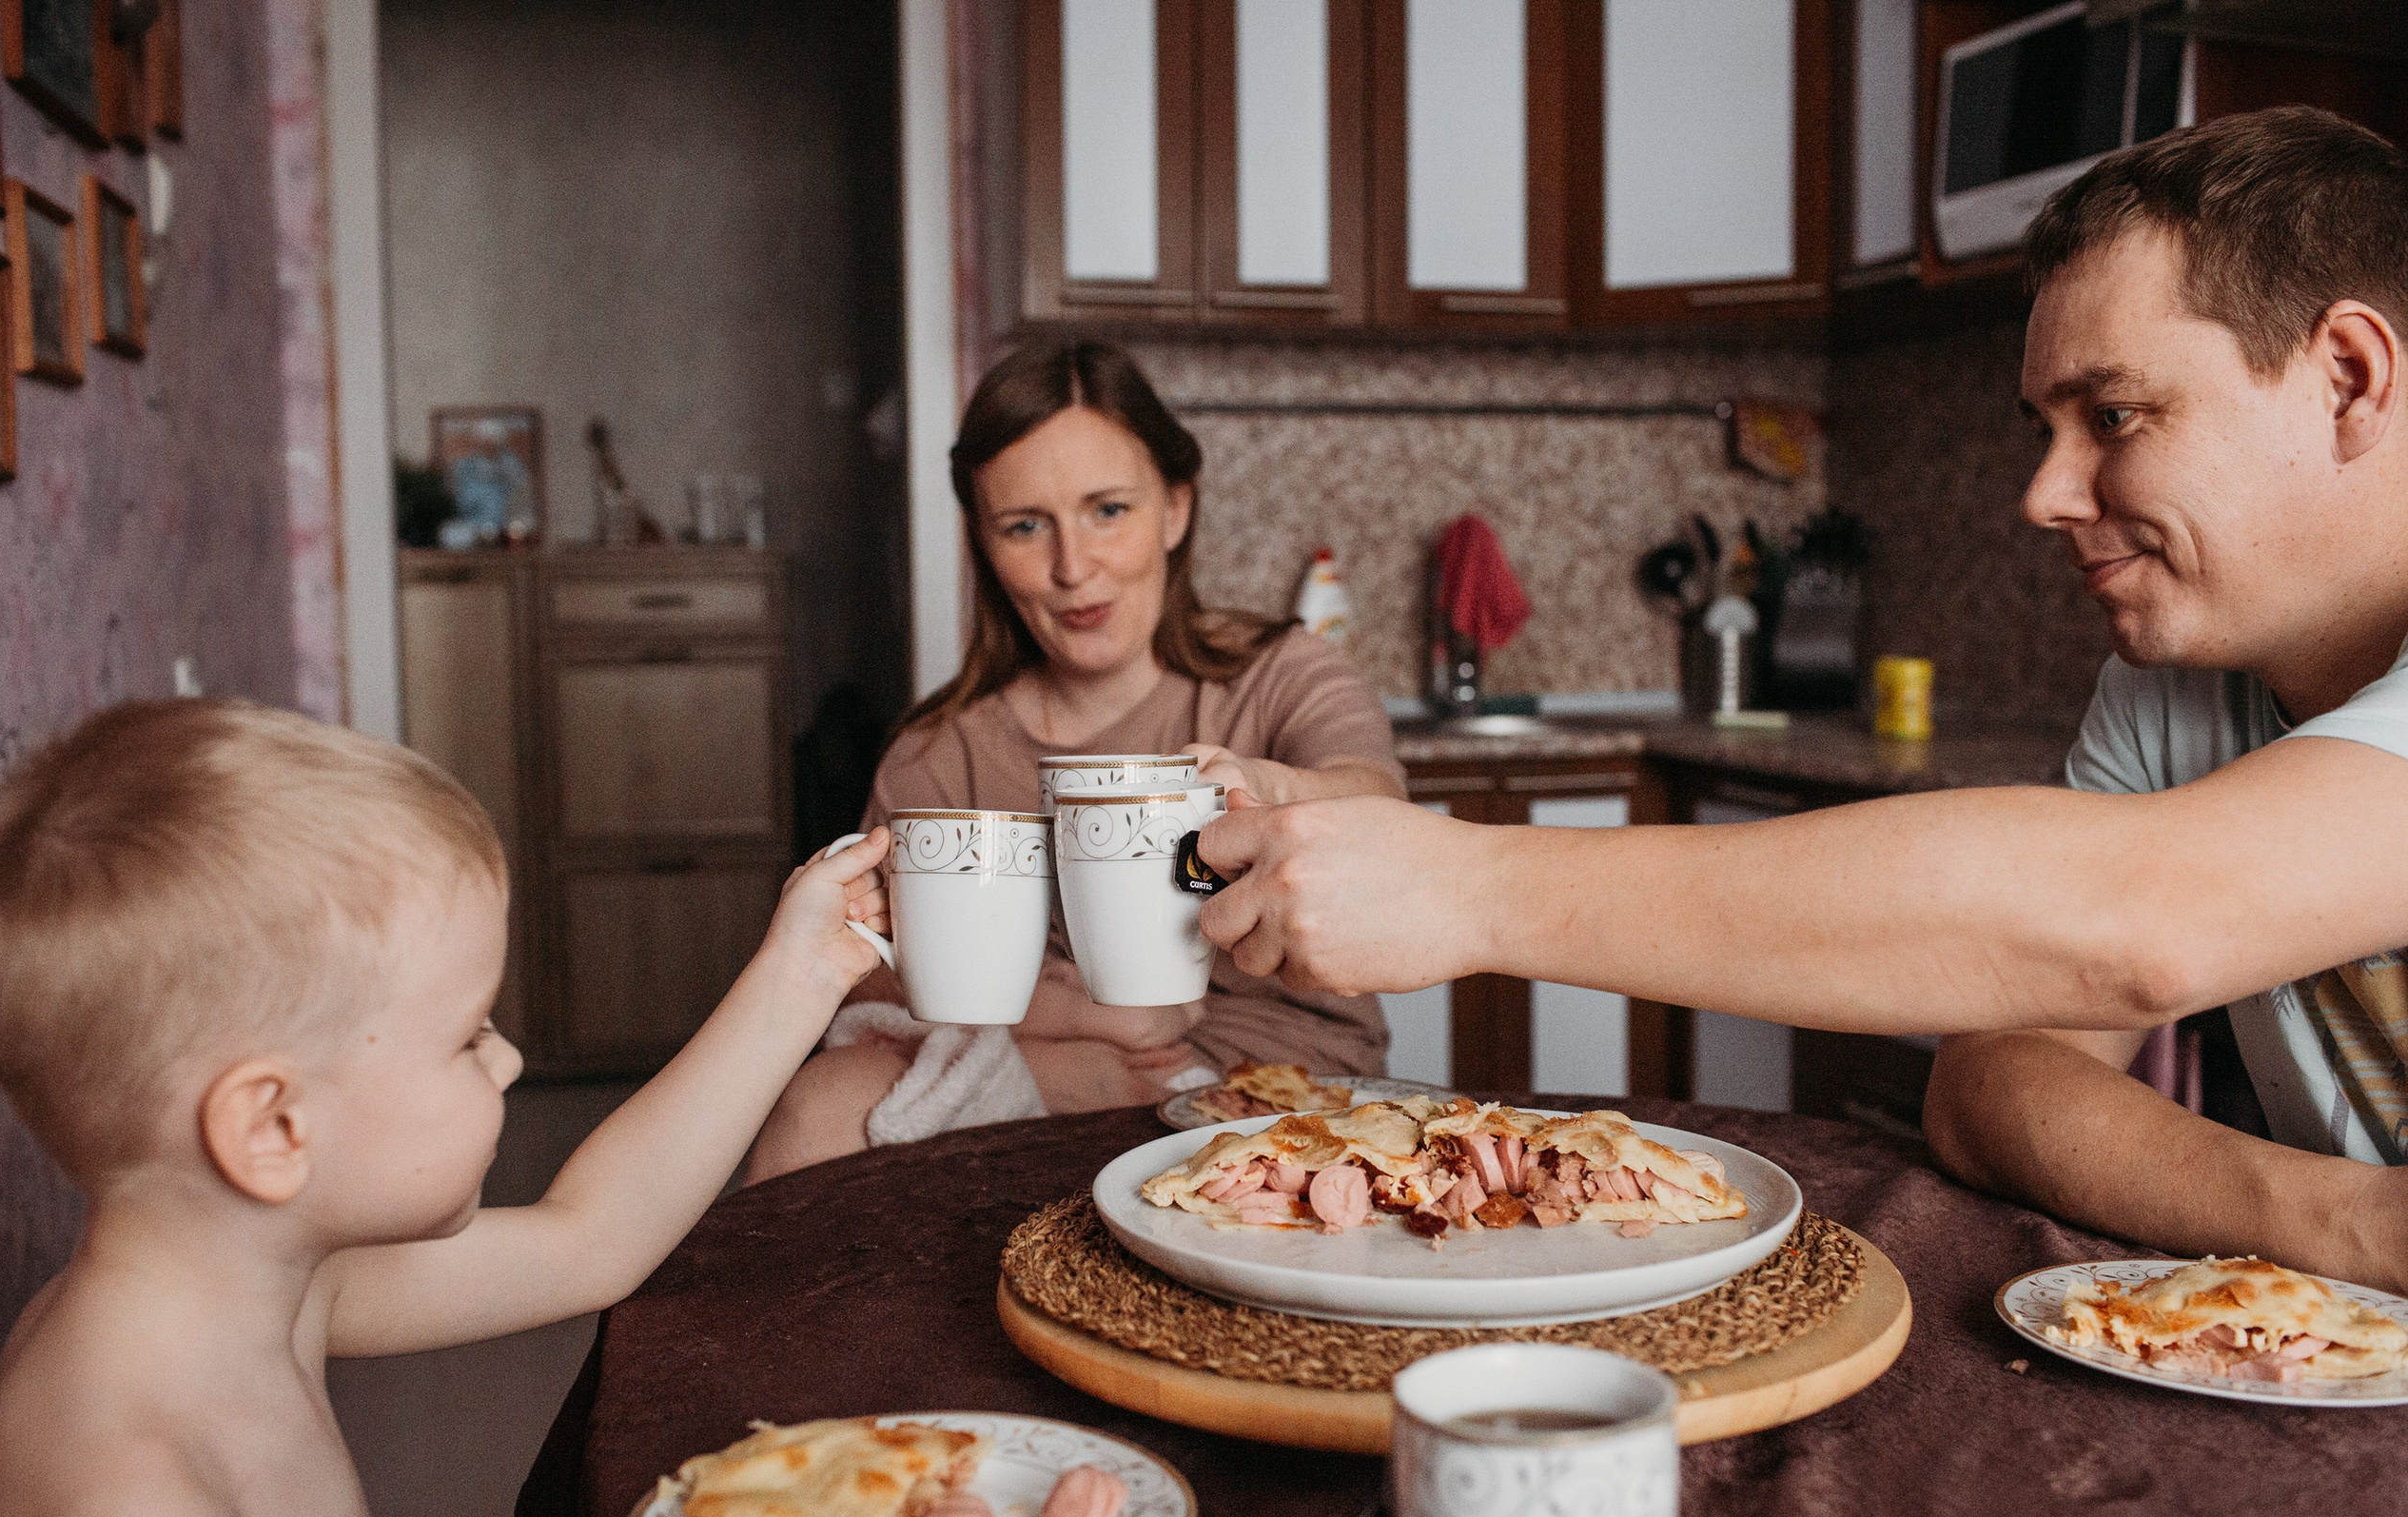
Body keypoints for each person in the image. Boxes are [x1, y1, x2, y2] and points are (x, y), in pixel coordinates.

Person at [1194, 108, 2408, 1294]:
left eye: (2112, 415)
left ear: (2348, 379)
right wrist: (2344, 1221)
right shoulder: (2178, 693)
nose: (2045, 493)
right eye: (2046, 428)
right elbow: (1997, 1076)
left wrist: (1464, 885)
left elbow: (2137, 922)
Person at [0, 698, 889, 1517]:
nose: (507, 1059)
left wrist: (802, 972)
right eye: (467, 1036)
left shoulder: (265, 1290)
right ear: (274, 1128)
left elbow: (590, 1241)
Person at [745, 341, 1403, 1179]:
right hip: (1061, 1057)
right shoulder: (938, 753)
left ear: (1175, 507)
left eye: (1108, 511)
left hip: (1283, 1076)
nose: (1072, 567)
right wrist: (1098, 1020)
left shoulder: (1285, 676)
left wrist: (1275, 791)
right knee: (818, 1104)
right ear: (984, 544)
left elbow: (1372, 803)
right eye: (1025, 526)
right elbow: (865, 973)